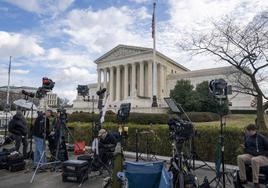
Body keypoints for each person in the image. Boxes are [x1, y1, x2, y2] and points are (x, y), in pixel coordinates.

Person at [237, 123, 268, 188]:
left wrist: (261, 153)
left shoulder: (261, 138)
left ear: (251, 130)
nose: (247, 132)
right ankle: (243, 179)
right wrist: (244, 147)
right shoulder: (248, 137)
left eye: (247, 131)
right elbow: (247, 147)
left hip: (263, 157)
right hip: (251, 155)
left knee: (254, 160)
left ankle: (256, 182)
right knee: (240, 157)